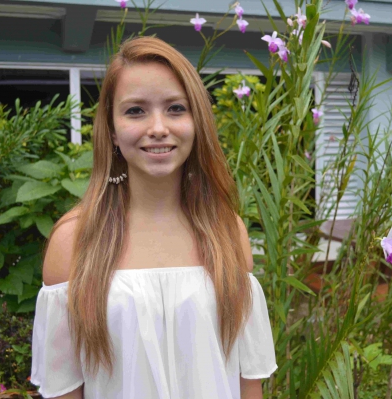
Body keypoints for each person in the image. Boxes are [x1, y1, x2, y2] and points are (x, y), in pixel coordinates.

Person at [30, 36, 277, 399]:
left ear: (197, 121)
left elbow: (248, 382)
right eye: (135, 111)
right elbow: (64, 389)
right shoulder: (74, 241)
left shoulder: (227, 231)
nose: (158, 127)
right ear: (112, 130)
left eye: (176, 108)